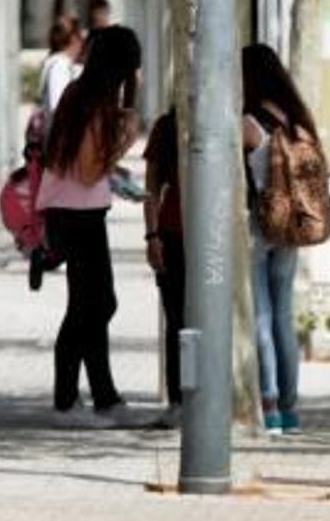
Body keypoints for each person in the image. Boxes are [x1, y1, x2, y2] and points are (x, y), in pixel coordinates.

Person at [38, 25, 142, 426]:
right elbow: (86, 170)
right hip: (77, 212)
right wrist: (124, 140)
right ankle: (68, 400)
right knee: (91, 305)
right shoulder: (96, 103)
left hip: (73, 209)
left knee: (93, 303)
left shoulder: (81, 95)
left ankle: (102, 395)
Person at [241, 43, 319, 436]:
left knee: (262, 318)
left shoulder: (248, 124)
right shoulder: (297, 120)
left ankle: (269, 405)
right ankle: (290, 409)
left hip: (259, 227)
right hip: (290, 228)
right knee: (285, 318)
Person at [142, 107, 183, 429]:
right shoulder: (168, 126)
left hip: (210, 239)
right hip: (174, 233)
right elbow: (152, 186)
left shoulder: (233, 119)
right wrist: (152, 234)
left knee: (179, 322)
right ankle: (179, 401)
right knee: (177, 322)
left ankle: (184, 402)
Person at [41, 15, 85, 118]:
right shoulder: (59, 66)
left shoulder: (67, 65)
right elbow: (57, 107)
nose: (83, 42)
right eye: (80, 36)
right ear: (74, 38)